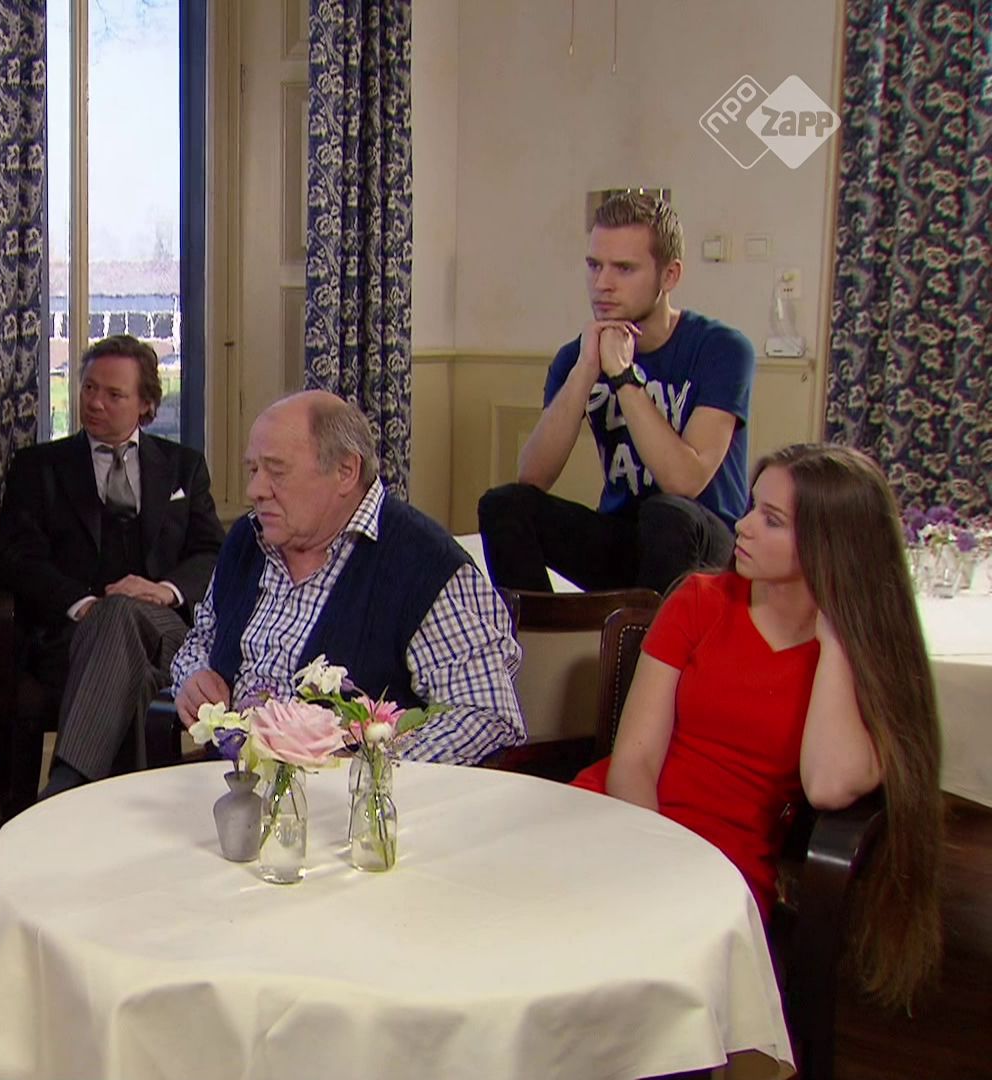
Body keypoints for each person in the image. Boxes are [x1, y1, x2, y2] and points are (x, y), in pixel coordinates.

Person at [572, 443, 942, 1009]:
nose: (741, 527)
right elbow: (633, 763)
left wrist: (838, 638)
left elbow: (827, 784)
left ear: (829, 544)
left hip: (727, 861)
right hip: (627, 818)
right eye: (751, 507)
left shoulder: (855, 659)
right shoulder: (700, 600)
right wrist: (651, 863)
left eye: (771, 520)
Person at [173, 391, 525, 764]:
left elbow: (485, 714)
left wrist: (366, 769)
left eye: (276, 471)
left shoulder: (424, 565)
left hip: (351, 798)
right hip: (225, 783)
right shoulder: (247, 540)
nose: (254, 491)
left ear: (345, 471)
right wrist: (194, 676)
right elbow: (201, 639)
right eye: (253, 470)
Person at [478, 193, 756, 594]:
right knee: (504, 505)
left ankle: (648, 637)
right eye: (594, 266)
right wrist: (586, 370)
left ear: (669, 276)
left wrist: (623, 376)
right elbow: (533, 476)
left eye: (624, 269)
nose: (602, 284)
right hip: (625, 535)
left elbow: (685, 481)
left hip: (703, 541)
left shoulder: (721, 349)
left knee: (667, 514)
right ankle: (538, 632)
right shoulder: (577, 356)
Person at [0, 334, 226, 799]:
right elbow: (18, 559)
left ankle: (67, 787)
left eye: (114, 394)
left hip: (167, 635)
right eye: (89, 388)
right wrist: (84, 605)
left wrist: (165, 590)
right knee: (127, 662)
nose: (95, 403)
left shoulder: (183, 466)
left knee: (122, 614)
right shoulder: (39, 467)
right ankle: (131, 813)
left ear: (146, 404)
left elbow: (211, 553)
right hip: (72, 639)